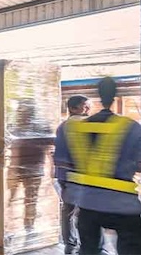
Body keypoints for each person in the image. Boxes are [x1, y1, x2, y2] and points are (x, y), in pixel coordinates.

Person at [54, 77, 141, 255]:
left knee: (89, 250)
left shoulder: (77, 128)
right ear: (114, 95)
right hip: (122, 206)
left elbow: (65, 163)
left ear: (98, 96)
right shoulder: (130, 127)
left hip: (87, 205)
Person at [57, 95, 91, 254]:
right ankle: (81, 243)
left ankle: (70, 242)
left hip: (66, 174)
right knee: (83, 210)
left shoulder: (63, 126)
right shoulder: (78, 125)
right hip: (76, 174)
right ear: (72, 108)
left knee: (69, 209)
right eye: (85, 106)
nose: (88, 110)